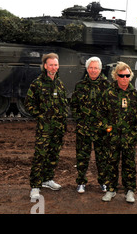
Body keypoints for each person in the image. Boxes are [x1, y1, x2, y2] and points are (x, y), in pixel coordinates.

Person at [25, 53, 69, 200]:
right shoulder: (37, 84)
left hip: (58, 127)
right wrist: (40, 116)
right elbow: (28, 104)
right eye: (51, 65)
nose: (53, 67)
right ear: (45, 66)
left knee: (53, 154)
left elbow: (64, 104)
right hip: (45, 128)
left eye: (56, 65)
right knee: (40, 156)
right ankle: (35, 186)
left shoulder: (60, 83)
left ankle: (47, 180)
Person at [101, 62, 137, 203]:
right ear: (116, 76)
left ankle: (129, 191)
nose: (125, 78)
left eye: (127, 75)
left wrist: (135, 131)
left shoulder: (135, 95)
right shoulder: (108, 93)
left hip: (129, 137)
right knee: (111, 163)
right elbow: (102, 113)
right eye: (121, 75)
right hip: (112, 137)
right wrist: (107, 127)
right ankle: (111, 189)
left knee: (129, 164)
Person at [70, 57, 111, 194]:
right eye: (91, 68)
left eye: (96, 68)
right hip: (84, 129)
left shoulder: (107, 85)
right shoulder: (80, 85)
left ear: (100, 70)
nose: (93, 71)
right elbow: (74, 105)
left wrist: (106, 124)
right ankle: (81, 182)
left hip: (101, 130)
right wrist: (79, 120)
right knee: (82, 157)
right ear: (87, 69)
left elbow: (112, 108)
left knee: (103, 158)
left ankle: (104, 182)